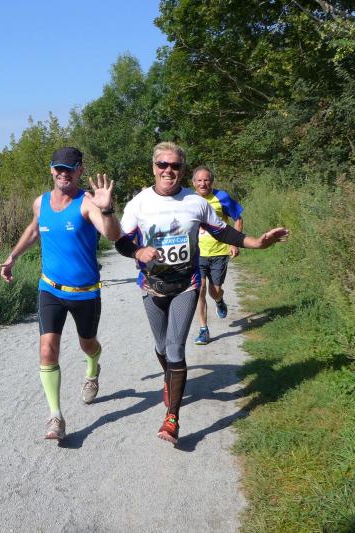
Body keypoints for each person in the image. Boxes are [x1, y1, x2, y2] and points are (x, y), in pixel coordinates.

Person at [114, 142, 289, 445]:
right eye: (162, 165)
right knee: (161, 345)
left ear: (182, 169)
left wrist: (258, 243)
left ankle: (172, 417)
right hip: (151, 286)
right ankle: (170, 379)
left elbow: (224, 231)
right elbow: (121, 241)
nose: (168, 170)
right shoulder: (138, 203)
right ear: (154, 167)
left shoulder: (195, 202)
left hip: (187, 284)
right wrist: (138, 251)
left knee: (175, 347)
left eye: (175, 166)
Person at [0, 147, 121, 440]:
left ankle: (92, 369)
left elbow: (113, 235)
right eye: (58, 168)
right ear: (51, 169)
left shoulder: (87, 203)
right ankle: (55, 416)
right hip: (50, 289)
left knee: (87, 344)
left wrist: (107, 209)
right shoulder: (40, 203)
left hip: (85, 292)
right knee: (47, 350)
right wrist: (13, 256)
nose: (63, 173)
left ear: (80, 170)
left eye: (69, 168)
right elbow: (34, 230)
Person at [191, 166, 244, 345]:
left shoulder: (222, 197)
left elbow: (238, 218)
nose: (203, 183)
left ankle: (219, 300)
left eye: (206, 180)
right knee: (199, 290)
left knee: (214, 291)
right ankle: (203, 329)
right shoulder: (188, 200)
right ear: (193, 183)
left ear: (212, 181)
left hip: (219, 252)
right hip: (197, 254)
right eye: (199, 180)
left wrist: (234, 242)